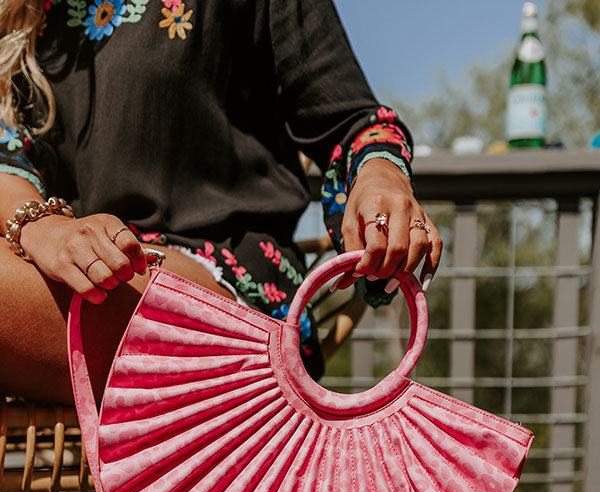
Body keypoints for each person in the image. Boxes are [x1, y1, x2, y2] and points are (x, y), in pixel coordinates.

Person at [0, 0, 442, 405]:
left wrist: (382, 180)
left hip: (225, 288)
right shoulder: (28, 11)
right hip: (68, 273)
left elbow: (352, 123)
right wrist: (43, 227)